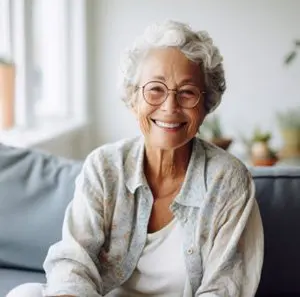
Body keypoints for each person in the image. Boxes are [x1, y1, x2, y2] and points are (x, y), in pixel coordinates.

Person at [7, 20, 263, 297]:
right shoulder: (104, 167)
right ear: (133, 99)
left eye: (187, 92)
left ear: (205, 104)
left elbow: (225, 287)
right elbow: (73, 261)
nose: (170, 106)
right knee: (27, 292)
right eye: (155, 89)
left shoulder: (227, 179)